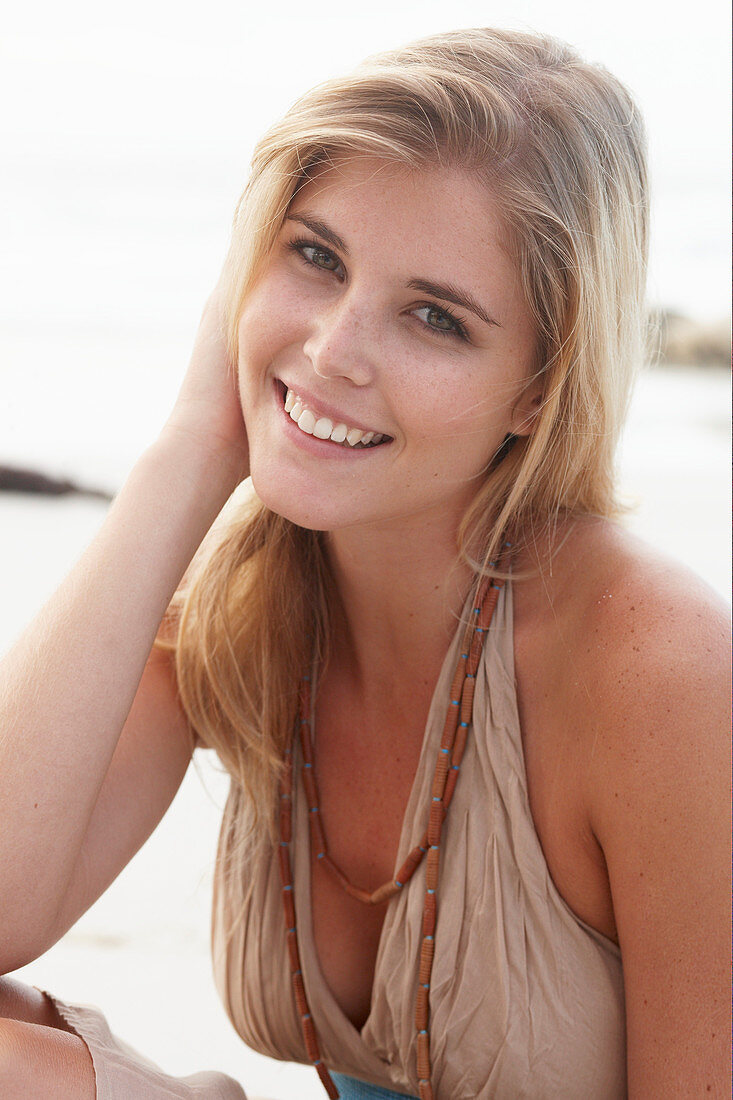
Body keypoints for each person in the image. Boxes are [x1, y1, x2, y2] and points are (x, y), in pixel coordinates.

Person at [0, 26, 729, 1100]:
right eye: (314, 255)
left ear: (538, 389)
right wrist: (192, 449)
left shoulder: (660, 669)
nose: (334, 351)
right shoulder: (246, 599)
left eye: (434, 317)